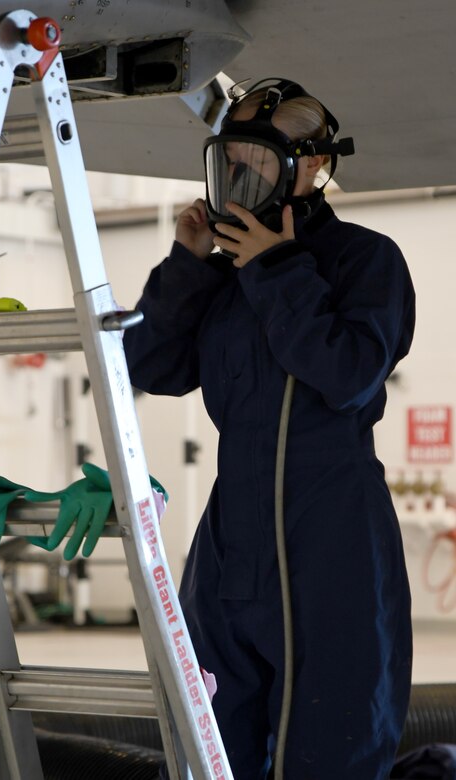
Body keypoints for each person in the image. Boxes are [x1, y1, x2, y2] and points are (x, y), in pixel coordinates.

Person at [123, 78, 415, 780]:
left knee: (328, 745)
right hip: (231, 542)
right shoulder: (225, 278)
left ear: (312, 167)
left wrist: (277, 268)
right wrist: (188, 265)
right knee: (207, 739)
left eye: (258, 160)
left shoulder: (365, 261)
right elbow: (151, 365)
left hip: (333, 539)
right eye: (230, 160)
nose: (239, 178)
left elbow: (347, 376)